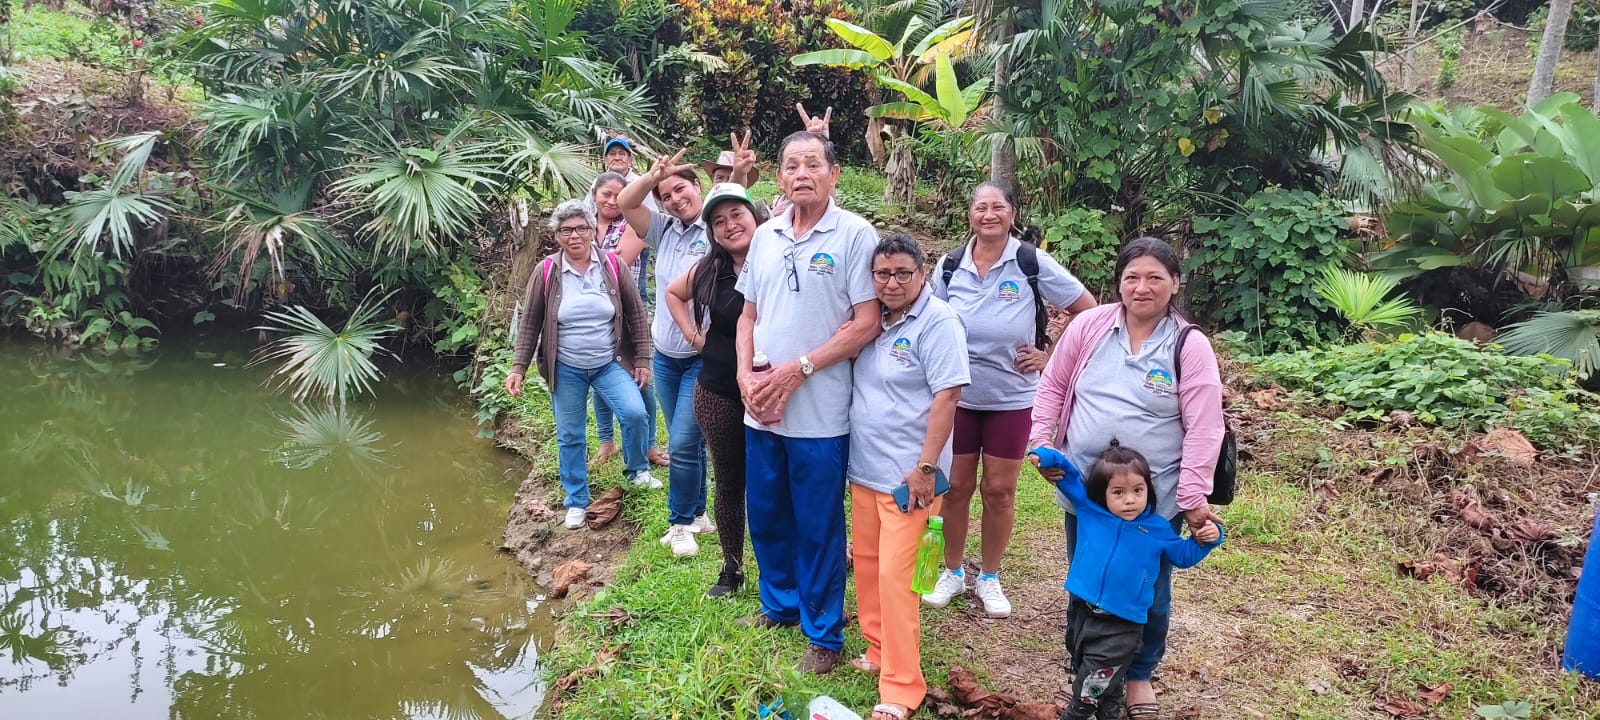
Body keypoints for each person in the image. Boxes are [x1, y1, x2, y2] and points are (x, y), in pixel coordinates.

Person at [1027, 236, 1227, 720]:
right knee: (1088, 577)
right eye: (1132, 277)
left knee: (1148, 589)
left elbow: (1206, 425)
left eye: (1155, 277)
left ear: (1175, 283)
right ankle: (1087, 665)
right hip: (1087, 490)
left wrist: (1193, 496)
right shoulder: (1090, 326)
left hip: (1152, 496)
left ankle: (1137, 674)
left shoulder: (1188, 344)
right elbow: (1053, 385)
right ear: (1118, 283)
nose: (1142, 287)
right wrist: (1040, 442)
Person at [735, 130, 880, 674]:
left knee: (818, 523)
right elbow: (748, 315)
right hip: (762, 407)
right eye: (791, 165)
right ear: (779, 177)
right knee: (767, 510)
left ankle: (823, 632)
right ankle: (780, 604)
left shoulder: (855, 234)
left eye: (813, 164)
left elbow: (866, 323)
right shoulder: (766, 235)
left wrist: (801, 369)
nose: (802, 174)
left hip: (820, 410)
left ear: (834, 174)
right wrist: (744, 373)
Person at [923, 182, 1097, 617]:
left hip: (1012, 398)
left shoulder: (1030, 262)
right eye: (980, 207)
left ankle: (990, 577)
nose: (988, 215)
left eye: (997, 207)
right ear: (969, 215)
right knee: (956, 489)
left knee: (999, 491)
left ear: (1012, 213)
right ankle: (952, 571)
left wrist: (1050, 355)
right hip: (958, 398)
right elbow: (927, 319)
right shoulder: (950, 265)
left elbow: (1087, 310)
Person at [847, 234, 969, 720]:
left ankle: (901, 687)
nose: (892, 283)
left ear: (921, 273)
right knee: (868, 566)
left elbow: (948, 397)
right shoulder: (872, 319)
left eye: (902, 273)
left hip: (909, 479)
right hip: (865, 470)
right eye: (883, 273)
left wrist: (926, 468)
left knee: (898, 580)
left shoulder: (939, 322)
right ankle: (878, 649)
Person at [1028, 442, 1223, 720]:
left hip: (1123, 623)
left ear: (1148, 490)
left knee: (1091, 683)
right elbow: (1069, 474)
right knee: (1094, 670)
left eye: (1137, 491)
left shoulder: (1156, 529)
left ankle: (1076, 712)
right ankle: (1109, 711)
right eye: (1118, 492)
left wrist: (1208, 539)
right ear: (1103, 494)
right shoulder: (1089, 510)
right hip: (1083, 612)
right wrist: (1044, 455)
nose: (1130, 500)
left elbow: (1183, 555)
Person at [505, 200, 657, 530]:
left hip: (608, 362)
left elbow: (636, 314)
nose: (574, 236)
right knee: (570, 434)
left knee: (634, 413)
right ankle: (576, 499)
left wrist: (643, 358)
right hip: (566, 367)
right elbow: (530, 322)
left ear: (592, 231)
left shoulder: (612, 266)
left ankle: (637, 470)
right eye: (566, 230)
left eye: (581, 228)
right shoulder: (547, 271)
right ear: (557, 235)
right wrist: (518, 367)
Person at [620, 148, 734, 556]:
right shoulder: (662, 230)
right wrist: (653, 177)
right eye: (666, 196)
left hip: (702, 356)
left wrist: (739, 172)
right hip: (666, 356)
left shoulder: (716, 228)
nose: (674, 199)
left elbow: (738, 211)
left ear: (698, 187)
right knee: (688, 441)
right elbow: (626, 202)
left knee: (683, 442)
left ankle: (681, 522)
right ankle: (699, 513)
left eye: (681, 189)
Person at [665, 182, 757, 596]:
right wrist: (694, 337)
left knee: (770, 482)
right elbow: (673, 292)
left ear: (755, 216)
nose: (729, 225)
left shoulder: (778, 260)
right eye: (719, 221)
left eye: (737, 214)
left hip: (771, 392)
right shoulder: (710, 269)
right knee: (729, 480)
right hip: (718, 390)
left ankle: (781, 566)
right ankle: (731, 567)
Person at [587, 171, 667, 469]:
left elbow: (615, 263)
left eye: (617, 196)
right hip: (593, 314)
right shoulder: (584, 225)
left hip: (627, 312)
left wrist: (586, 258)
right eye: (605, 194)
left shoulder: (633, 223)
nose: (611, 201)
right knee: (598, 373)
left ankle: (649, 444)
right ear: (594, 195)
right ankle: (606, 442)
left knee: (640, 375)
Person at [600, 135, 658, 213]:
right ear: (605, 160)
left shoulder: (640, 184)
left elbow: (652, 214)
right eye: (612, 154)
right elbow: (588, 209)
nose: (617, 158)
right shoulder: (598, 182)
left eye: (622, 154)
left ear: (630, 160)